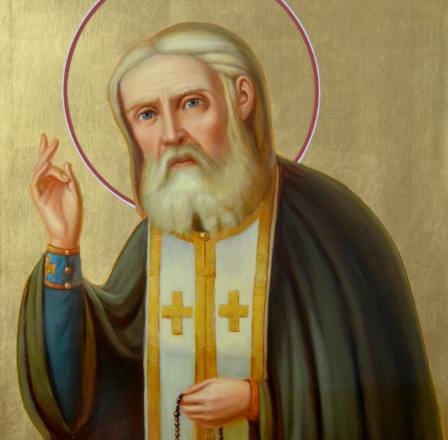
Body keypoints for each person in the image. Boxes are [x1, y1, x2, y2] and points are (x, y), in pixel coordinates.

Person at [17, 22, 443, 440]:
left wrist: (259, 401)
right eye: (147, 115)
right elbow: (84, 393)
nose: (171, 134)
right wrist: (63, 244)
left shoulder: (331, 227)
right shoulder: (155, 239)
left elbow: (372, 395)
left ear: (241, 97)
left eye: (191, 103)